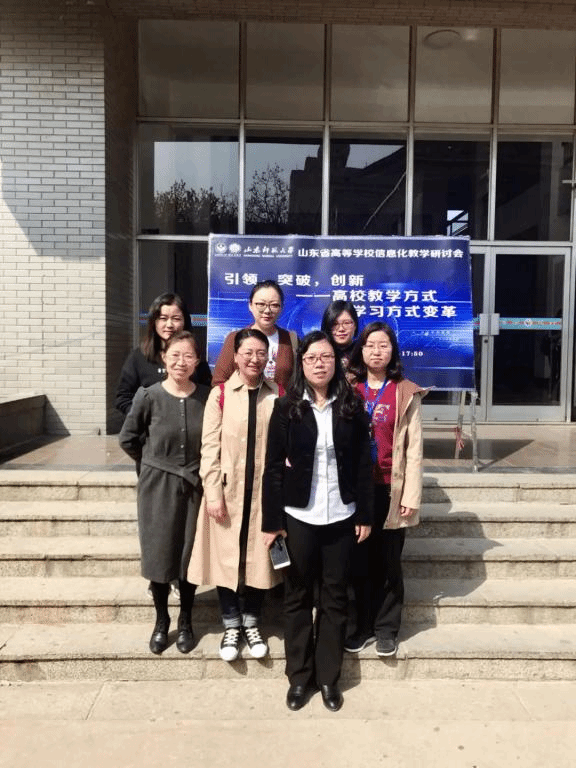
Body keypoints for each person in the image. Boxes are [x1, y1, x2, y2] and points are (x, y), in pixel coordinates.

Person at [262, 331, 373, 713]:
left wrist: (365, 513)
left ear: (336, 363)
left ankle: (328, 677)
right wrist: (272, 521)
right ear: (302, 363)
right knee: (296, 597)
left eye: (326, 357)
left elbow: (363, 464)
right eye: (311, 358)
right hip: (299, 516)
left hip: (341, 515)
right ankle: (299, 677)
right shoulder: (286, 407)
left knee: (334, 598)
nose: (319, 363)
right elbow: (272, 468)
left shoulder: (351, 405)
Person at [188, 328, 282, 662]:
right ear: (236, 356)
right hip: (227, 492)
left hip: (264, 495)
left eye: (261, 353)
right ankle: (231, 624)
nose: (255, 359)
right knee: (225, 558)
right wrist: (212, 492)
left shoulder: (277, 394)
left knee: (259, 558)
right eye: (248, 353)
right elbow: (209, 447)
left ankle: (252, 622)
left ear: (268, 357)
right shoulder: (221, 395)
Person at [118, 331, 209, 655]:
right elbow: (128, 439)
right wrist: (152, 466)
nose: (181, 362)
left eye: (188, 356)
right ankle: (161, 621)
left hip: (195, 487)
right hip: (157, 488)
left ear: (197, 361)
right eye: (175, 355)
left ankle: (185, 621)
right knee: (159, 554)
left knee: (188, 555)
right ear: (164, 359)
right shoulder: (148, 396)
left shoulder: (207, 397)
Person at [344, 321, 426, 657]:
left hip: (391, 488)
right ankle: (362, 626)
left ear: (393, 351)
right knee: (358, 560)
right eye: (370, 345)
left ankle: (387, 628)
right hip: (356, 490)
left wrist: (411, 496)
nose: (376, 351)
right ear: (360, 351)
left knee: (389, 562)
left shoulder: (405, 392)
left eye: (383, 345)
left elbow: (415, 449)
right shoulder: (349, 388)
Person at [116, 292, 211, 417]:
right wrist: (144, 419)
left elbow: (207, 395)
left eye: (176, 319)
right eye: (163, 318)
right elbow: (123, 398)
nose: (169, 325)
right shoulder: (139, 356)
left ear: (185, 321)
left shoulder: (194, 356)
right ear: (154, 322)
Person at [211, 279, 297, 389]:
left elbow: (296, 384)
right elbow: (219, 383)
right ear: (250, 305)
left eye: (274, 305)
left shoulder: (289, 339)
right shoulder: (235, 338)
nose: (267, 310)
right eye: (261, 304)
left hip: (280, 400)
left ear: (281, 308)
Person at [321, 299, 359, 370]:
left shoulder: (362, 353)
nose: (341, 329)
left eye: (346, 323)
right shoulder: (319, 353)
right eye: (335, 324)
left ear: (355, 325)